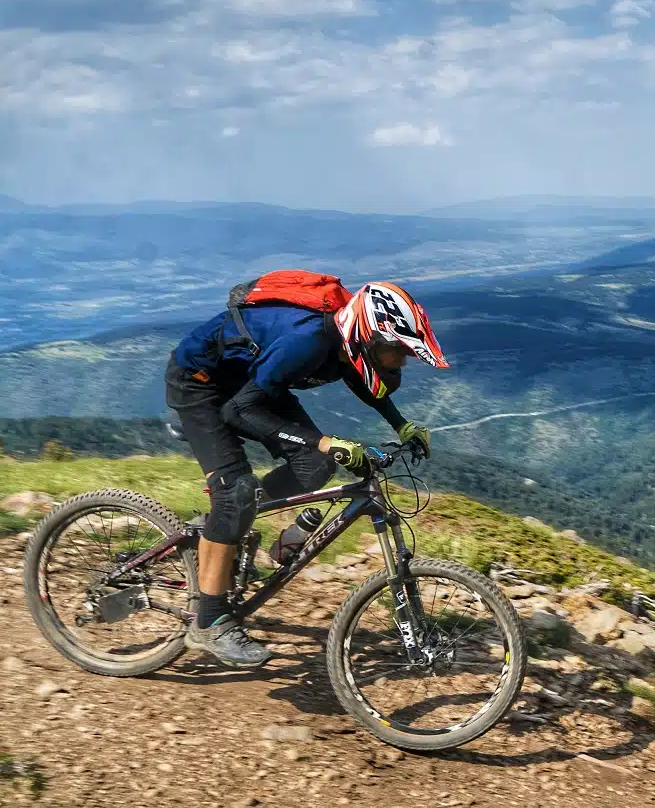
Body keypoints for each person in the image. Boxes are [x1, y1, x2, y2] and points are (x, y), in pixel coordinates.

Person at [164, 278, 449, 668]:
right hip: (202, 385)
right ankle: (209, 621)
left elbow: (360, 380)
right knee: (237, 491)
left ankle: (223, 527)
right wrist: (324, 440)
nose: (400, 362)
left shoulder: (344, 343)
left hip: (252, 384)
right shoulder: (307, 342)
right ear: (368, 337)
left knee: (315, 465)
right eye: (397, 352)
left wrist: (401, 425)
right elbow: (237, 412)